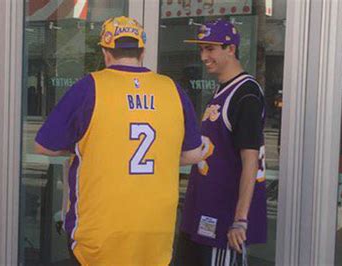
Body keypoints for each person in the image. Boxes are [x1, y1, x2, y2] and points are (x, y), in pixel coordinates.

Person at [35, 16, 202, 266]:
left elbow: (43, 145)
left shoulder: (90, 87)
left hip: (100, 234)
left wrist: (88, 146)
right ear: (142, 52)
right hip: (155, 235)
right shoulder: (172, 89)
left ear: (105, 52)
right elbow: (192, 154)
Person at [177, 19, 267, 265]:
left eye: (211, 48)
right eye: (201, 49)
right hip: (203, 211)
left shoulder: (246, 94)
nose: (204, 56)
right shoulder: (222, 90)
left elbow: (250, 161)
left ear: (231, 49)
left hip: (223, 219)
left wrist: (240, 220)